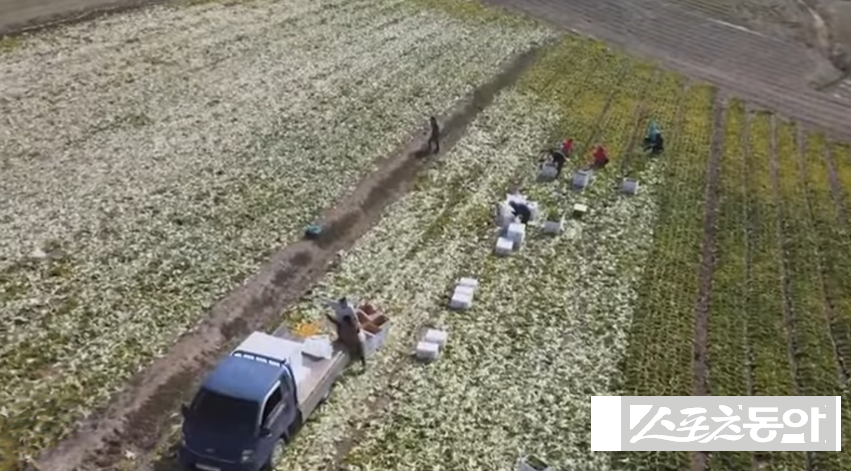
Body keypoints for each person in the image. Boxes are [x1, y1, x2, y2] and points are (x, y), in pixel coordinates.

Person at [325, 297, 366, 369]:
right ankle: (360, 360)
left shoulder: (350, 309)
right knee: (357, 347)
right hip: (345, 329)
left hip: (348, 332)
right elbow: (330, 303)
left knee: (357, 346)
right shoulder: (337, 306)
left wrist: (357, 325)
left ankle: (360, 360)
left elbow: (355, 318)